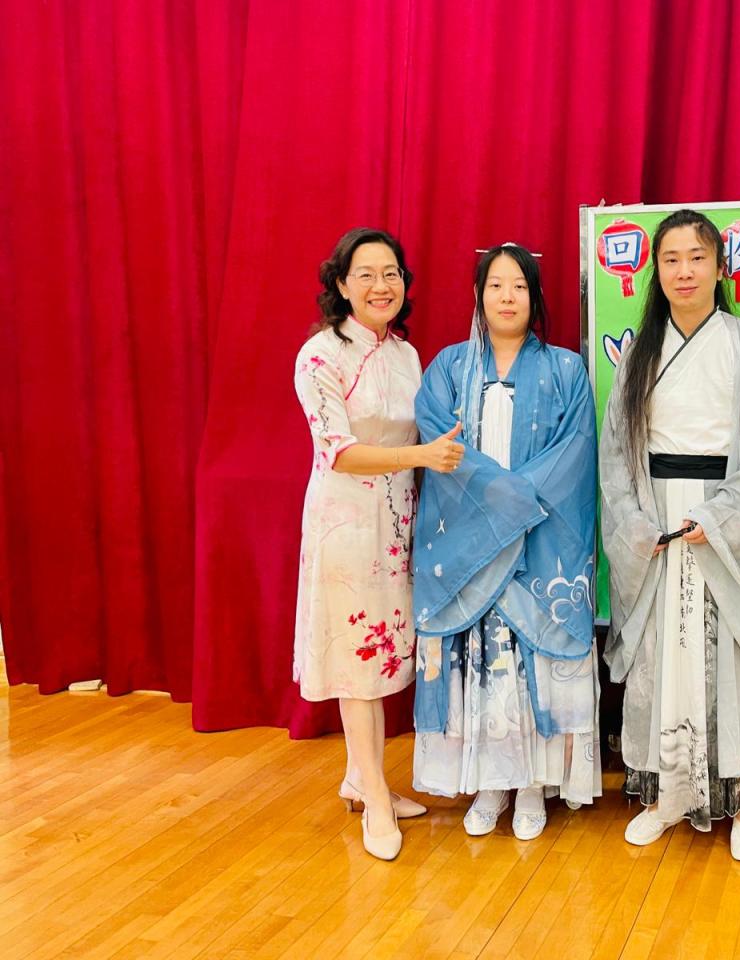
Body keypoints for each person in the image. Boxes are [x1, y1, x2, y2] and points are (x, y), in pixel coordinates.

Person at [599, 209, 740, 862]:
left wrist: (721, 519)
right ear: (655, 272)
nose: (684, 271)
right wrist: (638, 523)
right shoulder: (640, 355)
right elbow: (616, 452)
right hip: (659, 522)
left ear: (721, 267)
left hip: (728, 519)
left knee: (737, 660)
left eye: (697, 257)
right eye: (671, 259)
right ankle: (667, 795)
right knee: (665, 657)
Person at [412, 242, 600, 840]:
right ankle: (489, 784)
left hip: (539, 541)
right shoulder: (448, 368)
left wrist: (511, 505)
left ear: (535, 296)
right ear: (479, 295)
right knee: (482, 664)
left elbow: (575, 453)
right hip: (468, 541)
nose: (507, 297)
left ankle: (533, 785)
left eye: (519, 285)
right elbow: (438, 443)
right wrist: (498, 502)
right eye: (495, 285)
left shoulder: (566, 370)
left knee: (530, 663)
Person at [293, 227, 464, 861]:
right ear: (341, 285)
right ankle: (375, 799)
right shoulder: (319, 356)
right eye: (365, 274)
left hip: (397, 523)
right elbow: (337, 451)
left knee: (385, 657)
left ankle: (357, 777)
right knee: (358, 663)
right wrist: (420, 456)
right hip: (344, 523)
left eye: (390, 273)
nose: (380, 285)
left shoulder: (406, 355)